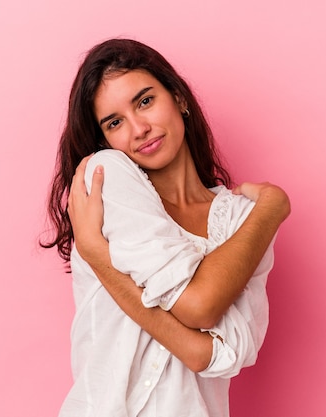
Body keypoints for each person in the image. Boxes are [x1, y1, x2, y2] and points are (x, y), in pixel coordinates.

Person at [42, 38, 290, 417]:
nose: (139, 128)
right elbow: (199, 309)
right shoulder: (108, 178)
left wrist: (271, 208)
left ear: (179, 98)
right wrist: (271, 208)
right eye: (114, 122)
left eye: (145, 101)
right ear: (104, 139)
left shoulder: (242, 219)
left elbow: (225, 354)